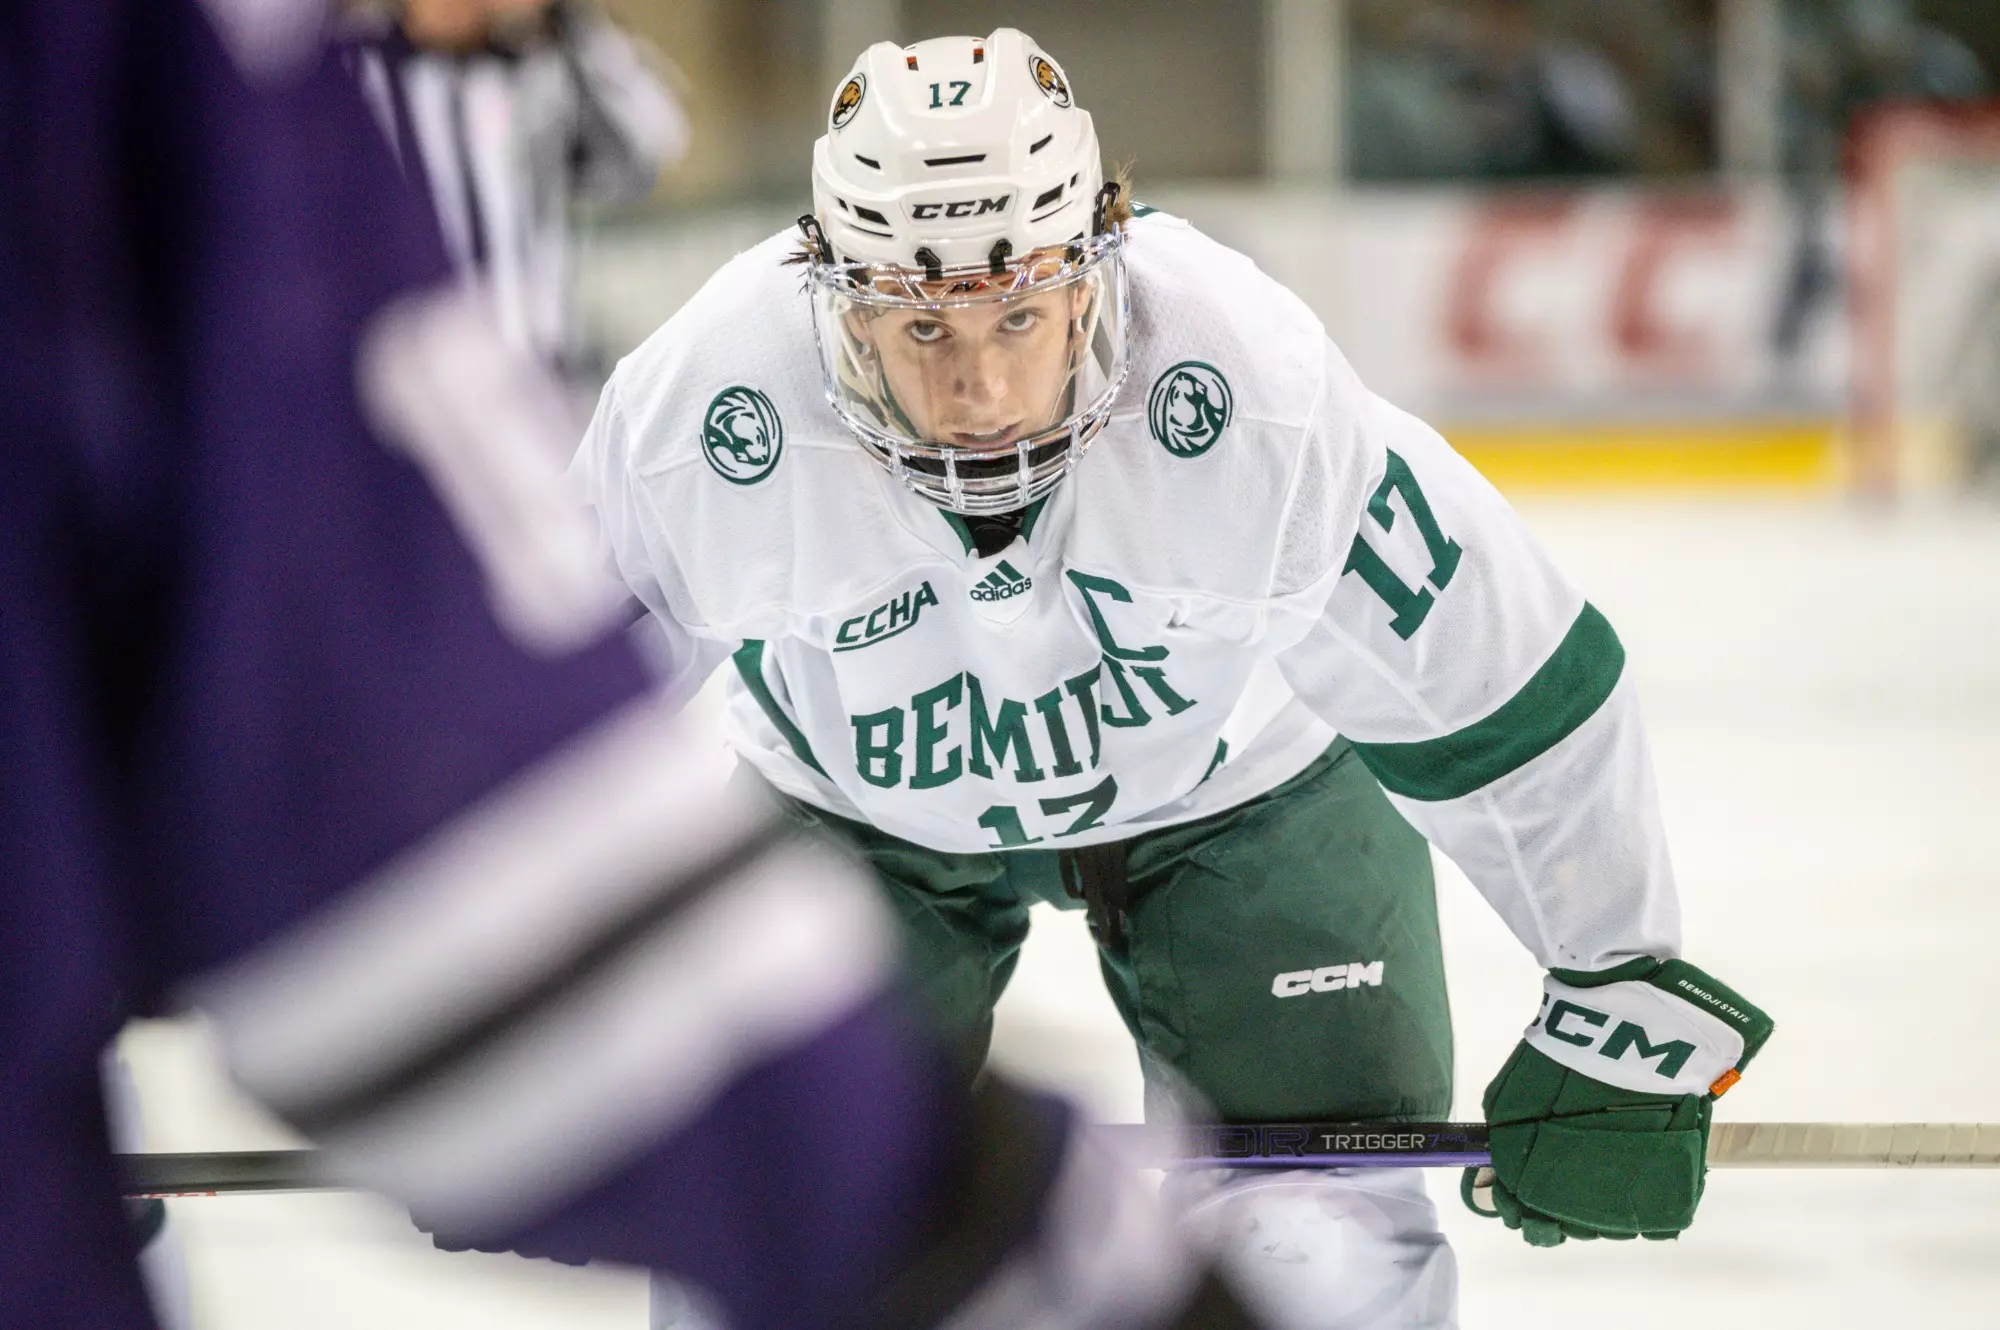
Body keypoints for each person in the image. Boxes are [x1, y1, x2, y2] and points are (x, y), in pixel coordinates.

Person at [0, 6, 1260, 1328]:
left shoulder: (497, 67)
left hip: (477, 451)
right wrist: (984, 1222)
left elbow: (640, 135)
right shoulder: (185, 72)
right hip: (417, 479)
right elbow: (381, 788)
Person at [572, 28, 1777, 1330]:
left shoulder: (1248, 380)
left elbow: (1505, 679)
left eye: (1017, 312)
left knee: (1317, 1249)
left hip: (1243, 791)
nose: (975, 387)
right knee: (784, 1253)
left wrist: (1614, 989)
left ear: (1095, 273)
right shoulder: (703, 415)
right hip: (858, 819)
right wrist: (489, 1038)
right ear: (834, 293)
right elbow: (527, 731)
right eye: (920, 323)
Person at [342, 0, 688, 376]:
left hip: (538, 374)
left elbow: (658, 140)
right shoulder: (355, 75)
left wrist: (568, 20)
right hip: (411, 387)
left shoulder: (540, 65)